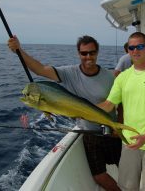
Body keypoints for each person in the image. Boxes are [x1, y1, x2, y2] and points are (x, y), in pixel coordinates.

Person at [8, 35, 122, 191]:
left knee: (124, 169)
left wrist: (119, 124)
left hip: (112, 132)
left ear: (97, 53)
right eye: (84, 53)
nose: (88, 56)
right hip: (88, 134)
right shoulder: (68, 73)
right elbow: (39, 69)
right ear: (78, 53)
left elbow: (120, 103)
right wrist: (19, 50)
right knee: (99, 176)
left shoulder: (110, 76)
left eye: (92, 52)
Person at [98, 32, 145, 191]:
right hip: (129, 143)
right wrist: (78, 109)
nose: (135, 51)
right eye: (131, 48)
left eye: (139, 46)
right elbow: (108, 104)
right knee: (126, 186)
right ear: (128, 51)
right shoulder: (122, 77)